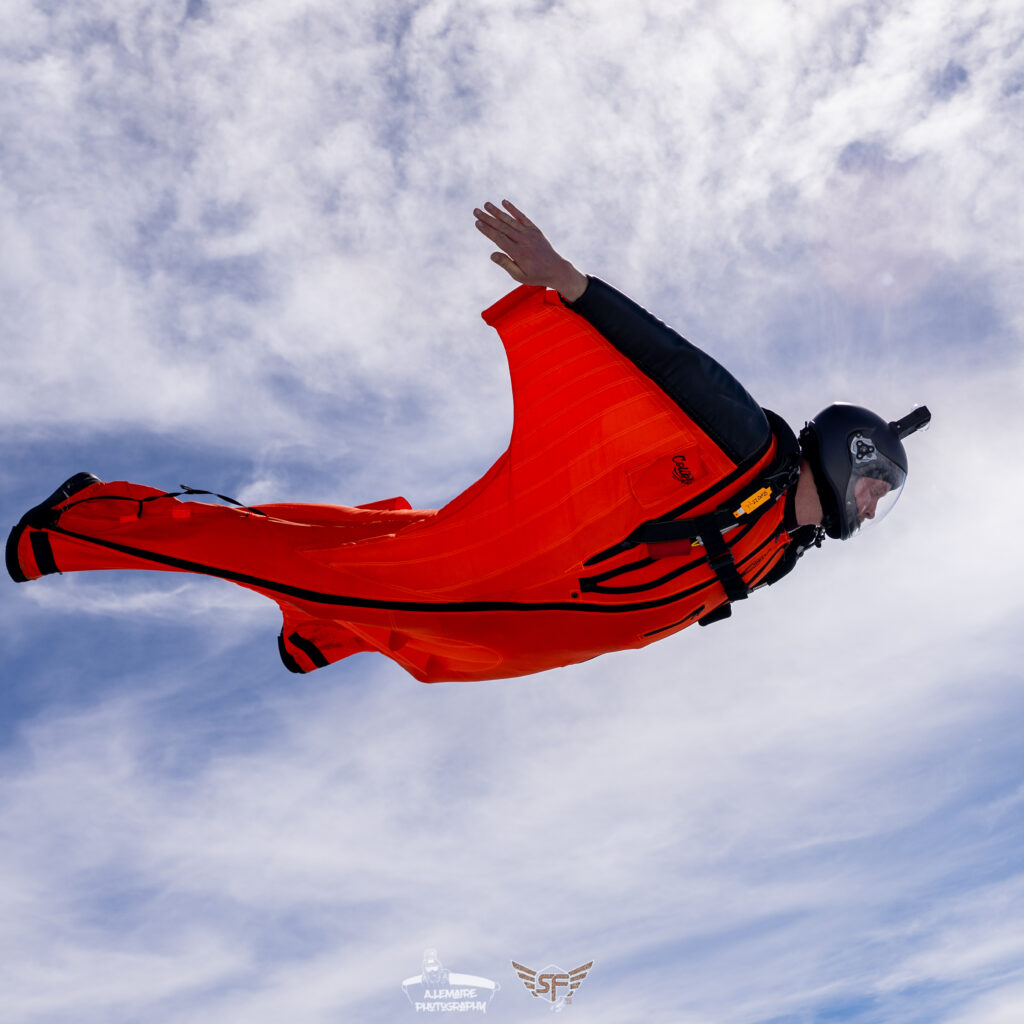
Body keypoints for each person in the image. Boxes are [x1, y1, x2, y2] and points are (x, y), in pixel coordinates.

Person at [6, 201, 930, 683]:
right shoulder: (743, 443)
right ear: (849, 458)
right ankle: (86, 523)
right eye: (878, 488)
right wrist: (567, 280)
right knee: (359, 570)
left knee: (386, 574)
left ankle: (333, 624)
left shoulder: (781, 547)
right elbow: (675, 366)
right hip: (537, 565)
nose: (874, 510)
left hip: (550, 618)